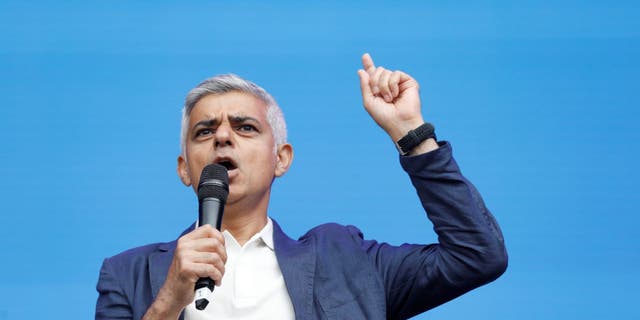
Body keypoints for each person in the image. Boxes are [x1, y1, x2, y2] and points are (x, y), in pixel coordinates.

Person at [95, 54, 508, 320]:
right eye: (205, 131)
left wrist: (411, 134)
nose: (223, 138)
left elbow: (477, 256)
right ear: (185, 169)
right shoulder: (129, 274)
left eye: (245, 127)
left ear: (282, 158)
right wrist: (169, 299)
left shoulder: (347, 261)